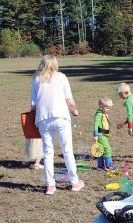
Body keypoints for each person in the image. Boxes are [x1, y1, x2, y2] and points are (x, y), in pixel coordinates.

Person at [30, 54, 84, 195]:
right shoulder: (61, 77)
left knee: (48, 153)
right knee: (67, 151)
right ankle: (74, 182)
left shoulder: (36, 80)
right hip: (61, 117)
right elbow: (69, 101)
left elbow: (33, 105)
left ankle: (50, 186)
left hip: (43, 119)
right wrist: (74, 111)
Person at [93, 96, 117, 170]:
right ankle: (109, 165)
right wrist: (96, 134)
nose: (108, 109)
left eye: (109, 108)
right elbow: (96, 124)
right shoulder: (99, 114)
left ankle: (100, 166)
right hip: (100, 135)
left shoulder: (103, 113)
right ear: (101, 106)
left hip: (104, 135)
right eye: (107, 108)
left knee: (100, 150)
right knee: (107, 149)